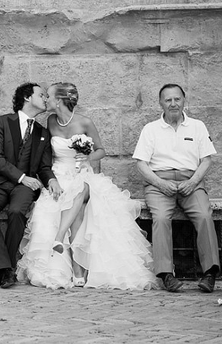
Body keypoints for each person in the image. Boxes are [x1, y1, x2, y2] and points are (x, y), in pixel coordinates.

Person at [17, 83, 157, 290]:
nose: (46, 99)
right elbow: (48, 152)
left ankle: (60, 238)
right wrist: (50, 178)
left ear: (59, 100)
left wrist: (88, 155)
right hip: (59, 175)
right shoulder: (51, 121)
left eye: (49, 96)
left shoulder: (85, 123)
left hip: (82, 174)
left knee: (81, 188)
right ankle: (77, 271)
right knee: (77, 207)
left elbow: (101, 150)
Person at [133, 83, 220, 293]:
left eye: (177, 99)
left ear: (184, 100)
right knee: (161, 218)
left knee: (204, 215)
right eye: (168, 100)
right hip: (159, 183)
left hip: (191, 180)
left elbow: (206, 160)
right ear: (161, 103)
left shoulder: (197, 126)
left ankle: (210, 273)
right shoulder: (150, 129)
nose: (173, 103)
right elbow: (141, 164)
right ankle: (166, 275)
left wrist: (192, 183)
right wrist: (160, 183)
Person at [0, 82, 57, 288]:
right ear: (27, 98)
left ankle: (4, 269)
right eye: (41, 95)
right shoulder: (2, 122)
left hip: (24, 187)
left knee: (16, 212)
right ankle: (7, 268)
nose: (46, 99)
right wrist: (23, 177)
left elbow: (44, 166)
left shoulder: (43, 132)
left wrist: (51, 179)